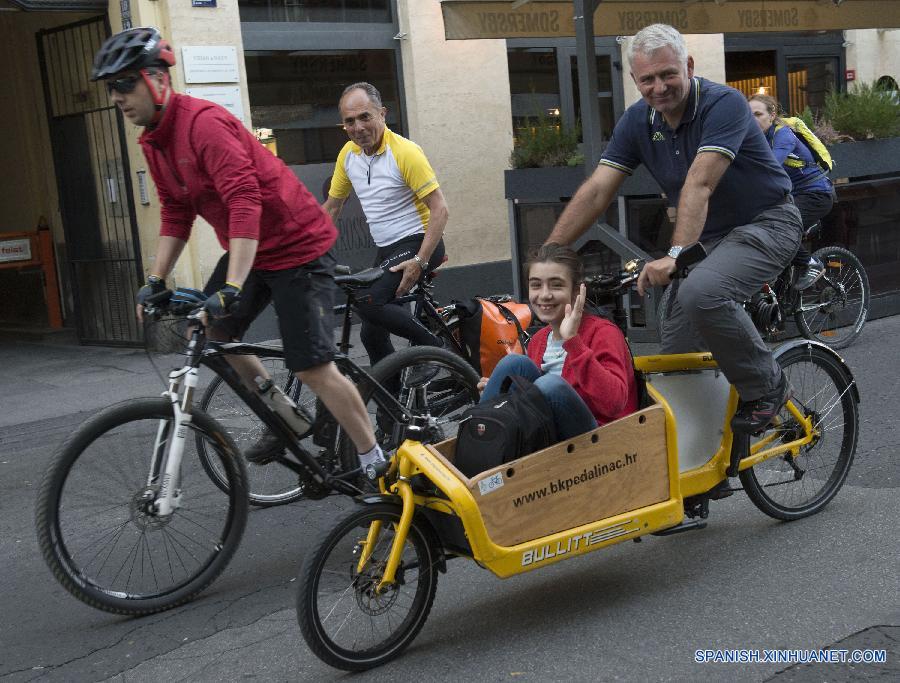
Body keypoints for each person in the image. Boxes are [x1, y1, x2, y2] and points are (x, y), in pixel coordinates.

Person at [92, 27, 384, 469]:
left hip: (298, 244)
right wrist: (155, 279)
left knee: (312, 366)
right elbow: (175, 212)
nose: (117, 97)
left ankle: (373, 459)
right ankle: (287, 419)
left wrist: (230, 285)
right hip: (253, 249)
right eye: (111, 89)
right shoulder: (154, 141)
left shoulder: (203, 125)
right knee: (209, 332)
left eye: (123, 84)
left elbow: (244, 200)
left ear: (157, 80)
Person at [546, 23, 803, 435]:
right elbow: (597, 191)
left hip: (767, 223)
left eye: (668, 74)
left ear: (688, 65)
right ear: (635, 80)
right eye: (647, 79)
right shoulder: (637, 121)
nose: (659, 86)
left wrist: (677, 254)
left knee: (703, 292)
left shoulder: (725, 104)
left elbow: (699, 183)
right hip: (708, 240)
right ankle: (700, 466)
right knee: (677, 355)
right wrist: (549, 254)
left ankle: (767, 386)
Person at [322, 83, 449, 367]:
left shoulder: (405, 152)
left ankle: (432, 349)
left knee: (368, 300)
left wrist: (420, 260)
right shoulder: (348, 155)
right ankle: (389, 410)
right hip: (386, 248)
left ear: (382, 114)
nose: (358, 127)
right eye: (349, 121)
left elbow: (440, 209)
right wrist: (305, 252)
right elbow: (332, 206)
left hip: (419, 241)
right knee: (371, 335)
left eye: (365, 117)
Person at [478, 244, 638, 440]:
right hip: (548, 433)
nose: (544, 295)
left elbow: (614, 403)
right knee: (513, 364)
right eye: (536, 285)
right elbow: (532, 402)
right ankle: (478, 441)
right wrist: (500, 392)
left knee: (550, 385)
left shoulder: (603, 332)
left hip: (599, 441)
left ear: (576, 291)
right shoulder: (538, 340)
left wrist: (573, 342)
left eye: (556, 285)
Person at [749, 93, 835, 290]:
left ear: (772, 115)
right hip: (792, 196)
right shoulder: (758, 137)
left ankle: (811, 264)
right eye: (749, 115)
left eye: (758, 114)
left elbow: (769, 167)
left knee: (779, 230)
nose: (752, 119)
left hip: (816, 195)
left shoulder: (783, 135)